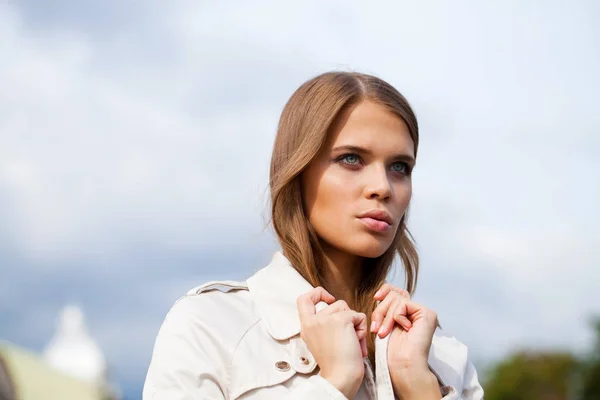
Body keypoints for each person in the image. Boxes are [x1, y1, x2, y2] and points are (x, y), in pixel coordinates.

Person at [142, 71, 484, 399]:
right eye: (351, 159)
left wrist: (417, 385)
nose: (383, 187)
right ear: (297, 170)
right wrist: (334, 383)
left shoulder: (444, 360)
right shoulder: (210, 328)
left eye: (400, 167)